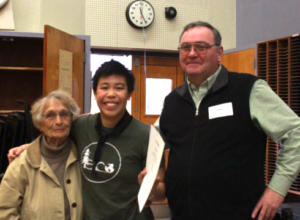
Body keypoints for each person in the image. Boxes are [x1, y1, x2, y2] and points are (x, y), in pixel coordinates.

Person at [157, 21, 300, 220]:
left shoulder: (249, 89)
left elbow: (295, 133)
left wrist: (277, 190)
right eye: (185, 47)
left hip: (239, 214)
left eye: (201, 47)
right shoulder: (172, 101)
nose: (191, 53)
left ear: (219, 52)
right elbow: (152, 144)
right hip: (183, 214)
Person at [8, 60, 166, 220]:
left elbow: (161, 193)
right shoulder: (81, 126)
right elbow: (54, 134)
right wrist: (28, 146)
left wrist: (150, 189)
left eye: (119, 88)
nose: (111, 94)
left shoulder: (148, 136)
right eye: (104, 87)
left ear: (130, 94)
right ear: (95, 93)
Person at [0, 90, 82, 220]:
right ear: (40, 123)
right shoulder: (21, 164)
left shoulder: (84, 158)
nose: (59, 121)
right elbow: (4, 211)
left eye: (64, 114)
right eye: (50, 115)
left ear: (72, 119)